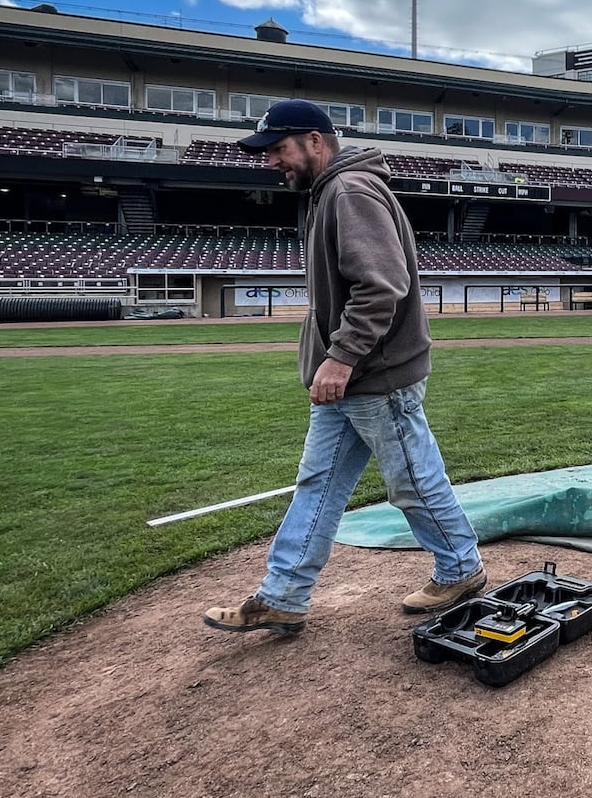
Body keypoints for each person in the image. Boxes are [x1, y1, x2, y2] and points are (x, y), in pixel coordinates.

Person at [204, 100, 486, 637]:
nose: (271, 162)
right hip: (349, 382)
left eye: (278, 150)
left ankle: (461, 568)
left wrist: (341, 357)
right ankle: (283, 595)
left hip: (374, 376)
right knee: (318, 484)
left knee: (412, 481)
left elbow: (380, 286)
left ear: (314, 141)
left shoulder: (348, 192)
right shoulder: (330, 191)